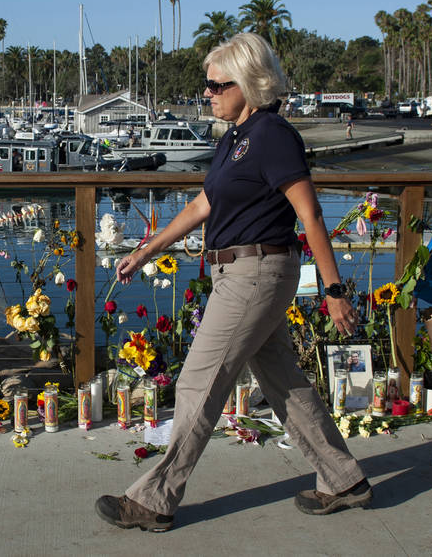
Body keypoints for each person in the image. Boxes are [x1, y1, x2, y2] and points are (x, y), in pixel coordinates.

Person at [95, 33, 371, 532]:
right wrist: (145, 250)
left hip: (257, 273)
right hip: (236, 273)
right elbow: (203, 205)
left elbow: (309, 214)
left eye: (218, 85)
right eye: (207, 85)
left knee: (198, 382)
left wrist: (333, 293)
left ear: (250, 82)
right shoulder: (233, 139)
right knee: (283, 382)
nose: (208, 93)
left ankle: (155, 499)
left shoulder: (273, 135)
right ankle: (344, 478)